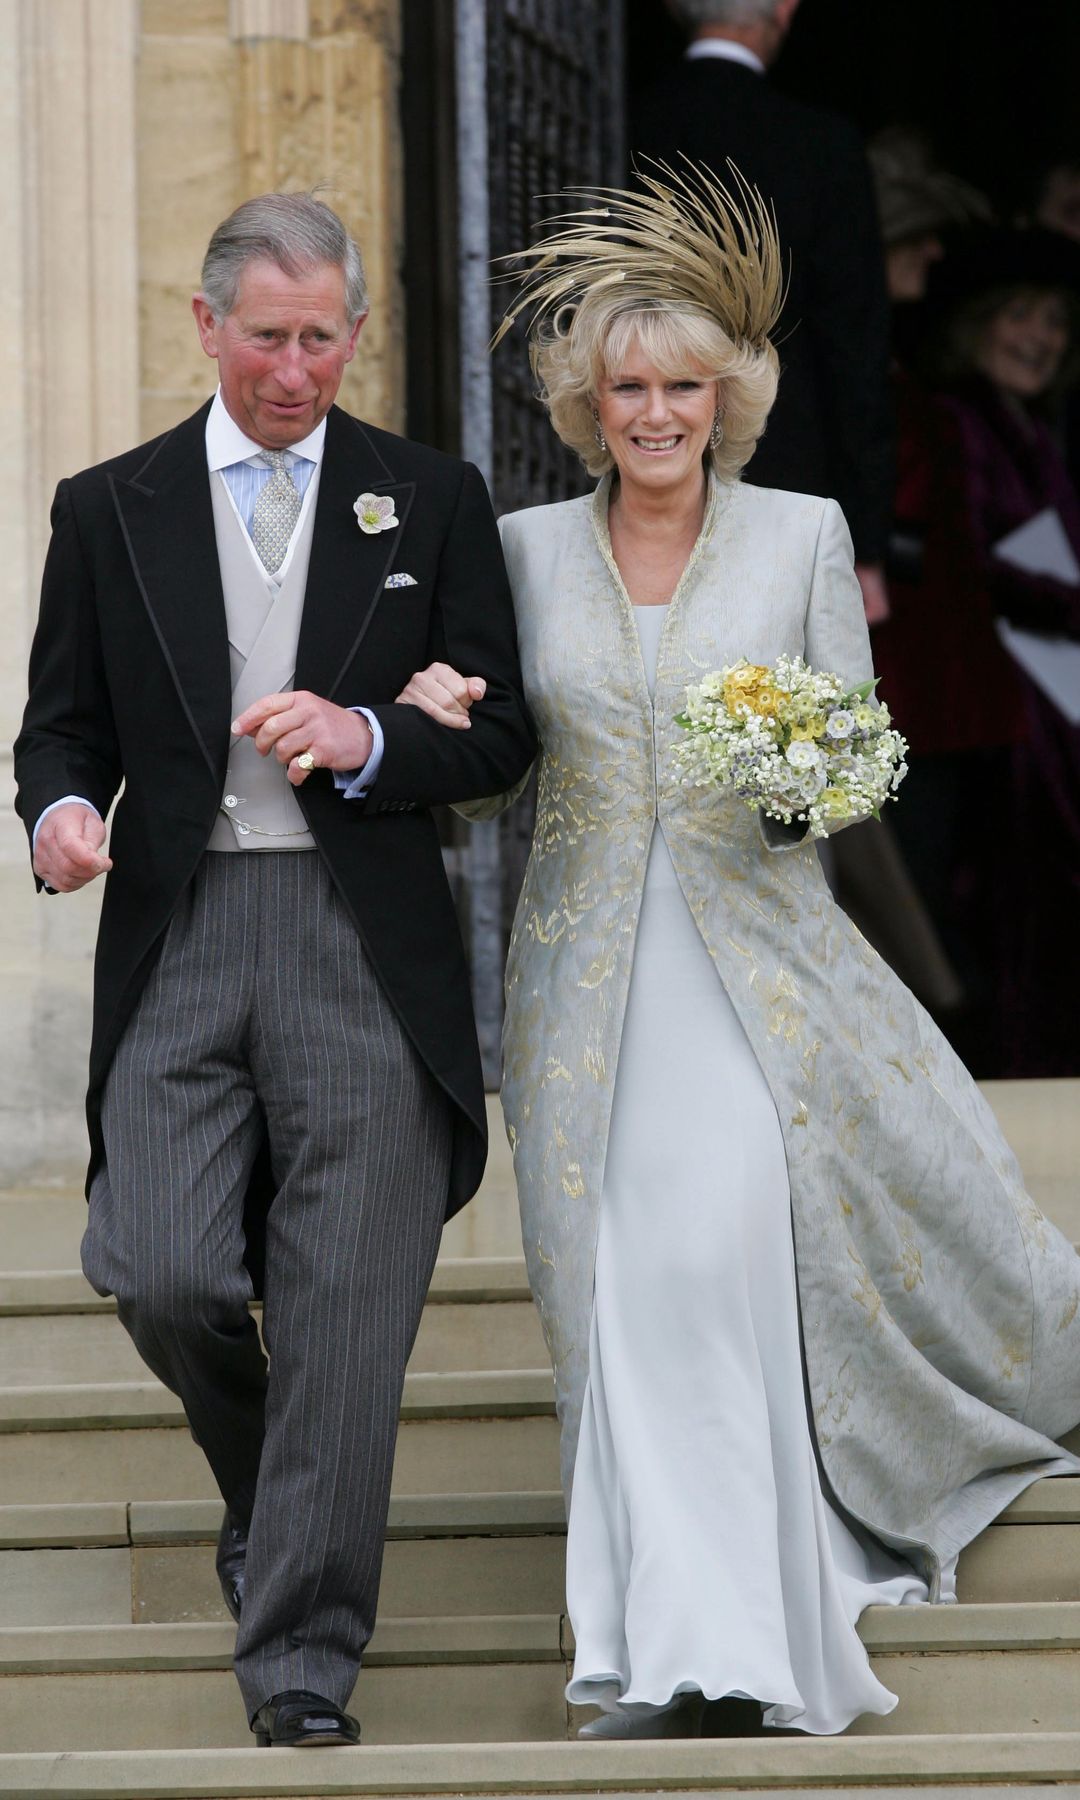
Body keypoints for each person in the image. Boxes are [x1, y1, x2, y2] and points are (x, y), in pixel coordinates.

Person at [397, 167, 1080, 1738]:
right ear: (587, 401)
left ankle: (744, 1634)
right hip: (582, 993)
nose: (653, 413)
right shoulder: (518, 551)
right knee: (617, 1291)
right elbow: (503, 758)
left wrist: (801, 773)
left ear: (729, 397)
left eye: (681, 387)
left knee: (709, 1268)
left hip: (757, 975)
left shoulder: (802, 533)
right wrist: (438, 725)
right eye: (626, 387)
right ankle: (657, 1644)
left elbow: (860, 759)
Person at [13, 192, 535, 1748]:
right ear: (205, 324)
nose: (296, 369)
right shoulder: (109, 506)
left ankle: (298, 1654)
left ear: (356, 334)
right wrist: (53, 815)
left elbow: (498, 733)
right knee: (159, 1269)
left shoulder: (430, 498)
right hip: (178, 934)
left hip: (363, 944)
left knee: (348, 1315)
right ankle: (267, 1491)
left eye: (323, 339)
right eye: (267, 337)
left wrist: (370, 735)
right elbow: (64, 724)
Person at [874, 227, 1080, 1077]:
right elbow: (966, 567)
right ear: (979, 323)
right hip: (1001, 700)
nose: (1041, 338)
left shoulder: (1028, 425)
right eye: (1021, 316)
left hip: (1048, 687)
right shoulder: (955, 416)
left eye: (1057, 324)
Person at [634, 0, 892, 627]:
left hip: (634, 453)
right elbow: (853, 348)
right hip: (785, 463)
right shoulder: (820, 143)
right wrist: (867, 544)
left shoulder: (621, 121)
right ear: (784, 8)